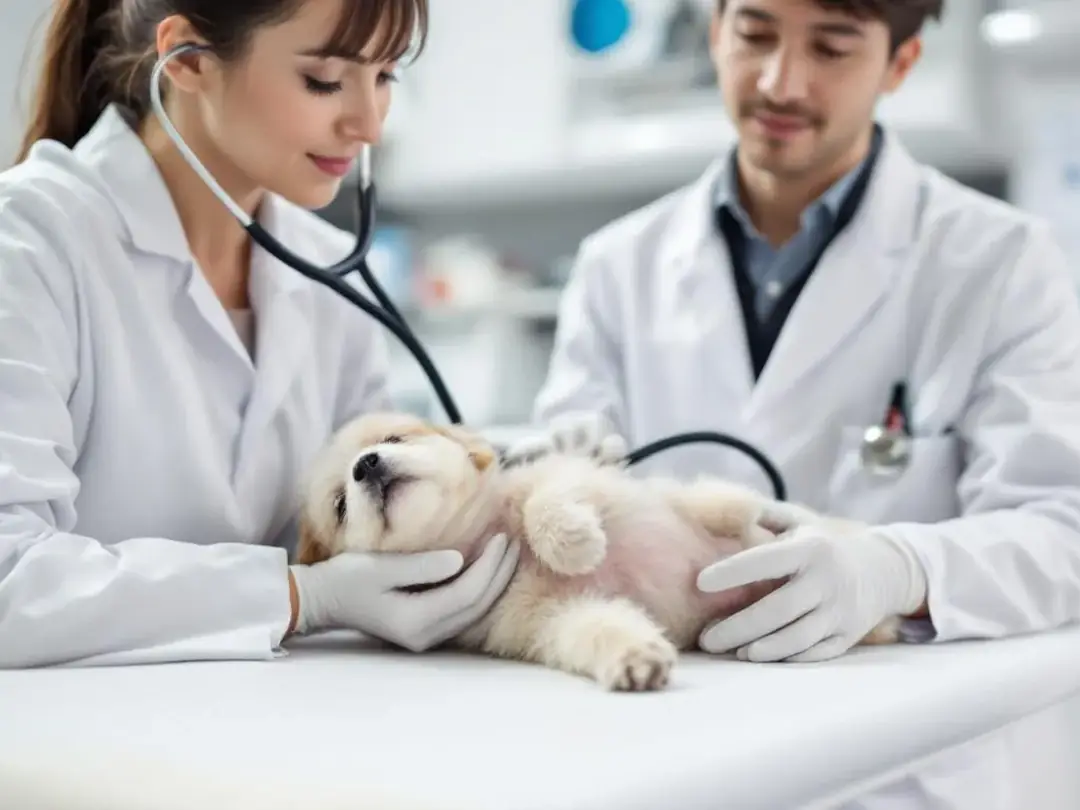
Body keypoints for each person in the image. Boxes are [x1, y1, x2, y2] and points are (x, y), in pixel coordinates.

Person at [529, 0, 1080, 808]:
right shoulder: (617, 266)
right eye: (755, 36)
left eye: (831, 48)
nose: (781, 83)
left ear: (899, 64)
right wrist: (550, 478)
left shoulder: (1001, 262)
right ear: (715, 32)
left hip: (908, 770)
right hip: (673, 753)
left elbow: (1062, 530)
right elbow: (563, 502)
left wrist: (899, 570)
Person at [0, 0, 521, 669]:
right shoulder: (31, 241)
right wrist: (299, 598)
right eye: (324, 81)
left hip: (286, 717)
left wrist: (514, 483)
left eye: (386, 76)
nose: (369, 125)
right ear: (188, 60)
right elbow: (10, 577)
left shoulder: (326, 268)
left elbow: (377, 527)